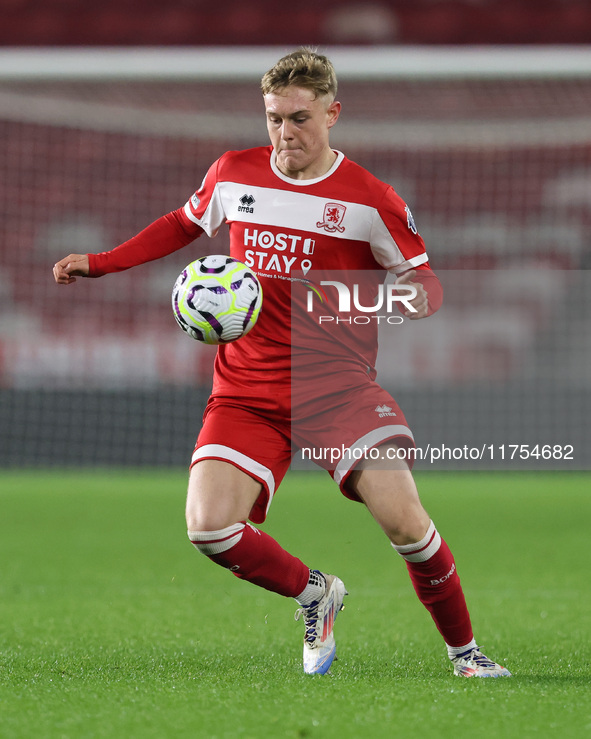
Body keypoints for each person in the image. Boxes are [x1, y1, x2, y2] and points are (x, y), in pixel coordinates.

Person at [53, 48, 510, 678]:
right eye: (274, 118)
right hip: (245, 391)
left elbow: (427, 290)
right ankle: (315, 593)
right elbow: (180, 226)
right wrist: (100, 261)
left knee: (407, 524)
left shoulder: (369, 199)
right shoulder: (233, 173)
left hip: (339, 392)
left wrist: (344, 296)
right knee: (208, 527)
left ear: (332, 114)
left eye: (299, 118)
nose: (285, 132)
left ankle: (467, 655)